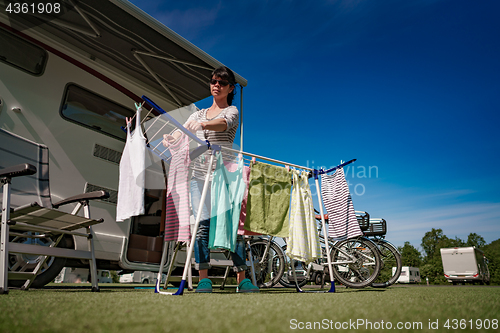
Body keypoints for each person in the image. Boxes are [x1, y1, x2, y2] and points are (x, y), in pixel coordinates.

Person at [163, 66, 259, 293]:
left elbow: (224, 124)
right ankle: (203, 278)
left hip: (224, 174)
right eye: (213, 81)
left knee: (230, 225)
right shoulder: (196, 114)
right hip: (197, 175)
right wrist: (170, 138)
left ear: (230, 88)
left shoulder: (232, 111)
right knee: (201, 224)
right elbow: (181, 132)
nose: (216, 85)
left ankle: (242, 279)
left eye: (222, 83)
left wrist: (205, 124)